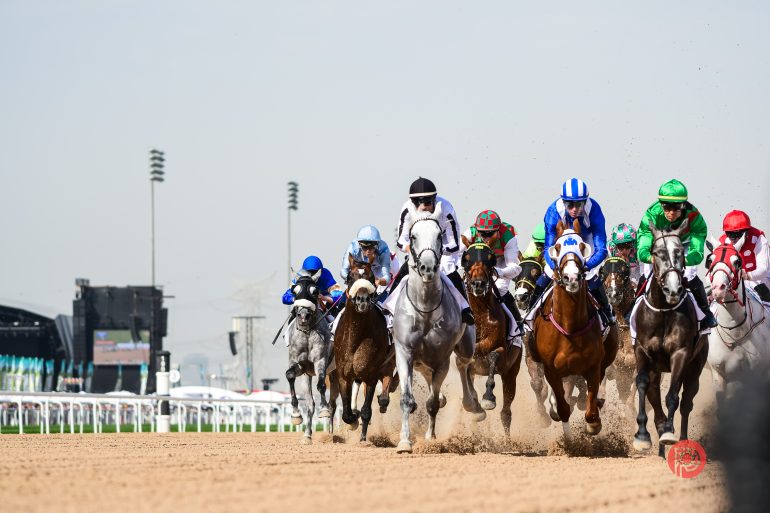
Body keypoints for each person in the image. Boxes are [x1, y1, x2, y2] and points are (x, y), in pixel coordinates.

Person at [528, 178, 616, 326]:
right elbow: (548, 247)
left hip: (585, 240)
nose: (575, 209)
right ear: (563, 202)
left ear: (585, 201)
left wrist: (587, 265)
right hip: (562, 241)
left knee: (591, 275)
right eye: (570, 204)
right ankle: (529, 314)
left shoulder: (594, 210)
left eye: (579, 204)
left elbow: (601, 248)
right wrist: (555, 266)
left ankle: (607, 312)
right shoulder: (553, 211)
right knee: (548, 273)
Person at [390, 177, 473, 324]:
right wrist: (412, 249)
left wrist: (436, 251)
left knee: (450, 273)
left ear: (434, 199)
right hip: (417, 253)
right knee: (402, 273)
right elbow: (401, 241)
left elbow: (454, 243)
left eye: (427, 202)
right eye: (417, 203)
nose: (422, 207)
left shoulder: (446, 209)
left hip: (443, 253)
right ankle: (389, 310)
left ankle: (465, 309)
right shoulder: (407, 209)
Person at [636, 179, 717, 328]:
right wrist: (648, 257)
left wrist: (686, 260)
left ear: (683, 205)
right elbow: (644, 242)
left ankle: (706, 312)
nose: (671, 212)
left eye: (676, 207)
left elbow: (697, 248)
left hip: (683, 245)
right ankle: (633, 310)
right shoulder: (651, 214)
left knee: (690, 275)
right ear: (661, 204)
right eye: (667, 207)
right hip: (659, 245)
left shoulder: (694, 216)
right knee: (647, 273)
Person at [461, 209, 524, 332]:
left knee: (499, 289)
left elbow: (515, 268)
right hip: (478, 263)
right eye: (483, 234)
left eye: (490, 234)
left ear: (498, 230)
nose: (486, 238)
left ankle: (516, 327)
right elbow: (454, 257)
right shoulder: (470, 233)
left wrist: (499, 272)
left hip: (500, 261)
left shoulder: (508, 236)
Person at [718, 210, 770, 302]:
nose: (733, 239)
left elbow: (764, 270)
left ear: (746, 232)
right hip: (735, 283)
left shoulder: (759, 239)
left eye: (738, 234)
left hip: (759, 280)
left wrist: (747, 275)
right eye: (730, 234)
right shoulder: (722, 242)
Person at [340, 225, 392, 293]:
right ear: (360, 245)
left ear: (377, 245)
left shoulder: (383, 249)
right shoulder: (353, 247)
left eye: (371, 247)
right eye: (365, 247)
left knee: (381, 292)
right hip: (358, 272)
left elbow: (387, 277)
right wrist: (354, 279)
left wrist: (379, 281)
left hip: (376, 270)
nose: (368, 251)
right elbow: (343, 271)